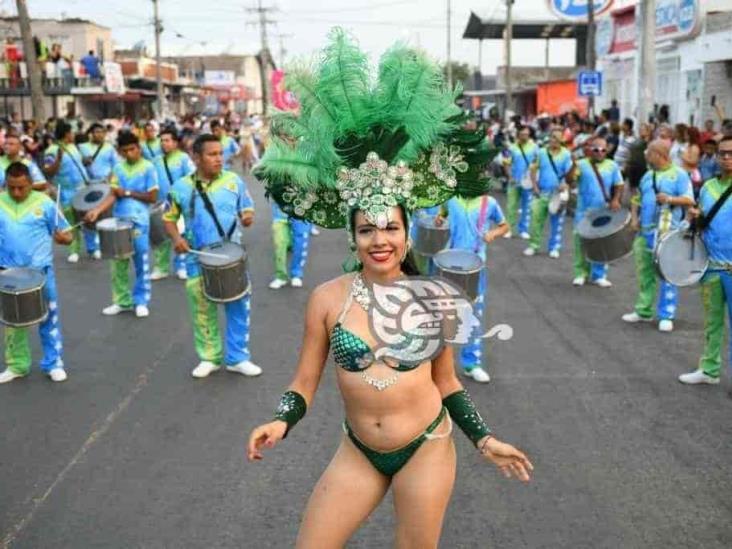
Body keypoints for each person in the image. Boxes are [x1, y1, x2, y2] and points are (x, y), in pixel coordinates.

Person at [248, 31, 532, 547]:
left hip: (426, 445)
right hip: (358, 449)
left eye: (390, 228)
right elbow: (304, 381)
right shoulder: (327, 299)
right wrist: (280, 421)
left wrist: (485, 440)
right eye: (367, 229)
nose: (380, 240)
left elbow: (447, 383)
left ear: (406, 231)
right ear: (353, 236)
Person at [163, 134, 260, 379]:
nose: (219, 159)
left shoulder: (233, 180)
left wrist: (247, 217)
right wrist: (177, 240)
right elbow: (169, 219)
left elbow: (246, 206)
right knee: (202, 309)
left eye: (220, 153)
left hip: (232, 256)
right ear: (196, 158)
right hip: (197, 257)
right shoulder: (181, 188)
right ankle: (209, 357)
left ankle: (238, 358)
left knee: (238, 306)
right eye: (212, 154)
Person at [0, 162, 73, 384]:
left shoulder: (46, 203)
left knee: (48, 318)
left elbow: (67, 235)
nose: (16, 192)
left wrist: (64, 238)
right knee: (12, 323)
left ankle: (54, 363)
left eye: (21, 187)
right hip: (8, 274)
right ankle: (17, 365)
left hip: (41, 273)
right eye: (11, 187)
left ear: (31, 183)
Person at [436, 192, 509, 383]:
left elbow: (504, 225)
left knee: (473, 315)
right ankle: (438, 366)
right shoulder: (450, 199)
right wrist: (438, 220)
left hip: (476, 266)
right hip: (449, 264)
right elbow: (441, 215)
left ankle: (471, 364)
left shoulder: (489, 202)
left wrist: (494, 233)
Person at [622, 140, 694, 332]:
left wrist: (670, 199)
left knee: (667, 274)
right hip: (646, 232)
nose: (646, 155)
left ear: (659, 154)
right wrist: (634, 219)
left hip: (668, 233)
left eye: (649, 153)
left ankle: (666, 314)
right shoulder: (648, 175)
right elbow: (637, 199)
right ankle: (643, 310)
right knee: (644, 272)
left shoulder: (679, 175)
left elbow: (689, 199)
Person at [85, 131, 158, 318]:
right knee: (118, 262)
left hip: (140, 222)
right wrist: (97, 210)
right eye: (125, 151)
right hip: (120, 220)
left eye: (132, 149)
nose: (129, 154)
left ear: (138, 148)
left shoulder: (149, 167)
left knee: (141, 261)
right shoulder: (118, 168)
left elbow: (152, 196)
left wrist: (126, 193)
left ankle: (141, 300)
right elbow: (112, 194)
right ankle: (122, 301)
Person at [679, 136, 732, 387]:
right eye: (722, 153)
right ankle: (709, 370)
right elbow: (700, 223)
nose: (726, 158)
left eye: (731, 153)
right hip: (711, 267)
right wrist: (694, 217)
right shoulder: (709, 186)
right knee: (712, 323)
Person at [567, 136, 624, 288]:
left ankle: (598, 275)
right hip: (583, 211)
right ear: (590, 150)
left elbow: (619, 185)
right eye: (596, 149)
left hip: (602, 211)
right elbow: (569, 180)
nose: (600, 152)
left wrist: (616, 199)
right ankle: (580, 274)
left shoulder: (612, 166)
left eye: (603, 150)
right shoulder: (581, 164)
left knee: (601, 243)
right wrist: (573, 166)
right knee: (581, 242)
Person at [42, 120, 98, 262]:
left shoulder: (74, 147)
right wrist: (58, 160)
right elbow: (48, 171)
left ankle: (93, 248)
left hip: (82, 188)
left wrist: (86, 161)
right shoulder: (51, 151)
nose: (73, 135)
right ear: (67, 134)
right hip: (66, 191)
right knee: (70, 221)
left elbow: (80, 164)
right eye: (71, 132)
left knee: (88, 219)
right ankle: (73, 250)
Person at [151, 127, 195, 281]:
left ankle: (181, 266)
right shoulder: (155, 160)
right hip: (161, 203)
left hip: (179, 203)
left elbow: (192, 179)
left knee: (180, 235)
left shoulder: (183, 158)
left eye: (167, 140)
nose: (164, 144)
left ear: (175, 142)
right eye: (162, 141)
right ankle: (161, 268)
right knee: (161, 237)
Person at [524, 128, 573, 258]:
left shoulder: (566, 154)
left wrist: (566, 185)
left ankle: (554, 247)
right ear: (549, 139)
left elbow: (569, 174)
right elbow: (533, 169)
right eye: (553, 137)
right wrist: (534, 186)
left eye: (557, 138)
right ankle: (533, 245)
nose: (554, 140)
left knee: (557, 222)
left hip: (557, 193)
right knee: (536, 220)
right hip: (541, 192)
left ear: (562, 140)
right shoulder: (541, 152)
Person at [503, 126, 538, 239]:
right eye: (522, 134)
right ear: (518, 135)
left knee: (526, 206)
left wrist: (534, 180)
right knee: (511, 206)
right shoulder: (512, 148)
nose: (525, 136)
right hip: (514, 181)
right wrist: (510, 176)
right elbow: (506, 162)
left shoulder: (534, 147)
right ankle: (509, 229)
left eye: (527, 134)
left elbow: (537, 164)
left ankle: (523, 229)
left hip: (528, 182)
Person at [269, 202, 312, 289]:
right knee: (279, 243)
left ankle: (296, 274)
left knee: (300, 244)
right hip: (280, 214)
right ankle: (280, 276)